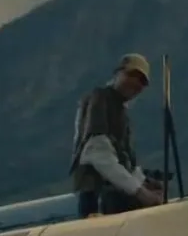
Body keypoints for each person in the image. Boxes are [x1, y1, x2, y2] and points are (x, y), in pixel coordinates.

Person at [70, 53, 164, 217]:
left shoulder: (121, 112)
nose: (136, 83)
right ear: (118, 73)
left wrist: (144, 183)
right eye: (132, 75)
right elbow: (97, 153)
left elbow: (123, 159)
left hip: (113, 197)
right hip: (97, 198)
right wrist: (140, 192)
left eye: (142, 81)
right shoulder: (99, 99)